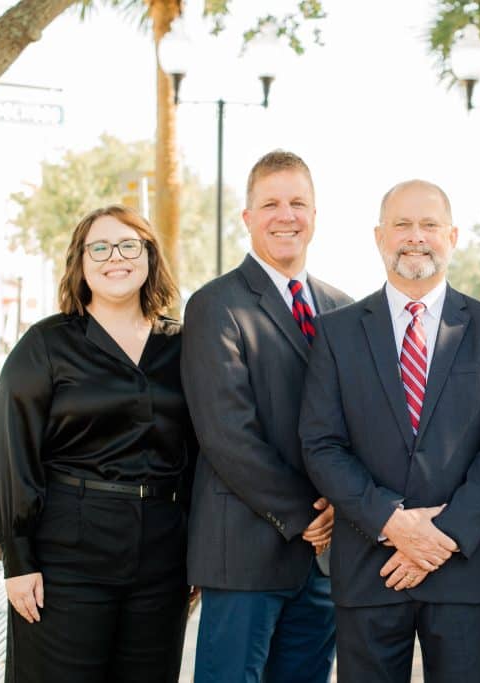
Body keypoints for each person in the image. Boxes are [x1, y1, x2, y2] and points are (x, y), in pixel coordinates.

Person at [299, 179, 480, 683]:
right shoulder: (336, 333)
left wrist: (442, 535)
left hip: (461, 570)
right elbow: (322, 445)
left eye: (429, 225)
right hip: (369, 568)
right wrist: (392, 523)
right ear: (380, 236)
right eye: (402, 224)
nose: (415, 236)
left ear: (453, 235)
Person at [0, 205, 195, 683]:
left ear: (149, 257)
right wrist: (17, 560)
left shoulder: (182, 345)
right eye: (98, 247)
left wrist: (196, 550)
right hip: (68, 557)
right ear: (80, 263)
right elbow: (11, 452)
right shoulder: (45, 345)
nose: (113, 257)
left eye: (128, 245)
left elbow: (201, 450)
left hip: (162, 557)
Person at [181, 150, 352, 683]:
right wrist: (309, 516)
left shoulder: (344, 309)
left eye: (298, 202)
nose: (286, 215)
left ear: (316, 216)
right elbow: (227, 434)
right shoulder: (216, 305)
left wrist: (343, 508)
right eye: (271, 203)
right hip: (247, 552)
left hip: (323, 562)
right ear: (248, 217)